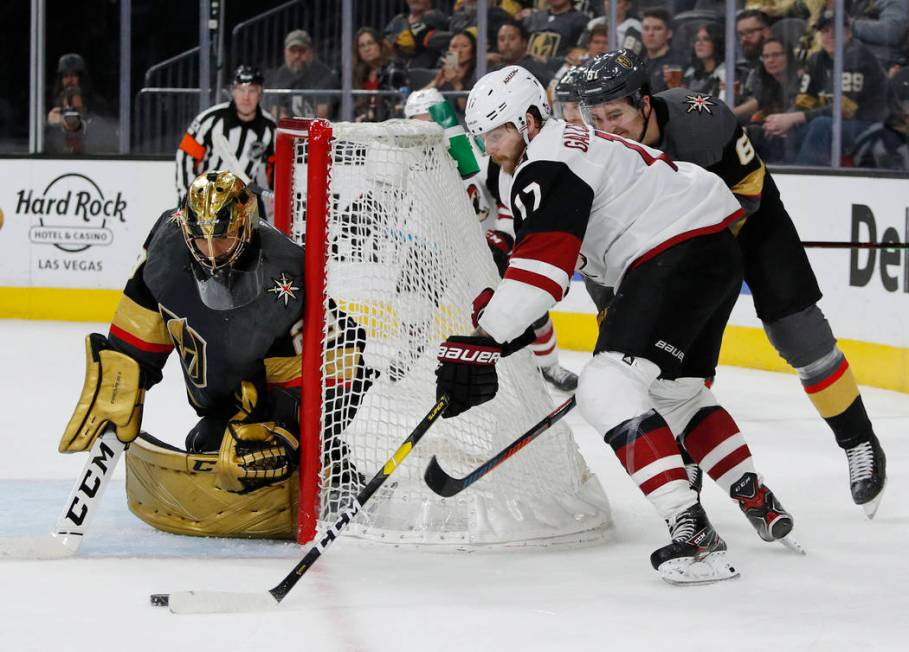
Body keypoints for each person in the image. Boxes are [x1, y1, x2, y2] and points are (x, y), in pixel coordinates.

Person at [436, 65, 796, 584]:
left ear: (530, 119)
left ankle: (694, 535)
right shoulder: (564, 147)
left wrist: (481, 339)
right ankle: (755, 495)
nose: (492, 147)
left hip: (673, 249)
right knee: (677, 394)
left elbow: (542, 275)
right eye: (484, 137)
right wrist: (497, 320)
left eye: (499, 132)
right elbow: (539, 265)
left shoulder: (546, 160)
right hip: (712, 247)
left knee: (605, 387)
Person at [577, 49, 887, 517]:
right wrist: (613, 310)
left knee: (795, 329)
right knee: (662, 362)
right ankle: (687, 455)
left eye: (615, 114)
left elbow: (750, 190)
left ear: (644, 103)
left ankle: (858, 439)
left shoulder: (701, 120)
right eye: (596, 117)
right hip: (667, 251)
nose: (607, 128)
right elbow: (598, 248)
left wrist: (696, 247)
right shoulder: (596, 156)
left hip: (746, 225)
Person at [58, 171, 376, 539]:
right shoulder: (168, 243)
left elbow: (338, 359)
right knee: (209, 446)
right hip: (230, 395)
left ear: (245, 227)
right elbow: (143, 311)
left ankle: (330, 466)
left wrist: (289, 432)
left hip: (291, 388)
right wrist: (124, 371)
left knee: (257, 463)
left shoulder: (285, 272)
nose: (210, 252)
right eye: (200, 239)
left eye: (222, 238)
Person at [404, 88, 580, 391]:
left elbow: (509, 199)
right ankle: (403, 359)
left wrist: (503, 234)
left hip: (483, 247)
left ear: (440, 118)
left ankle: (550, 366)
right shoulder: (407, 160)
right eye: (414, 120)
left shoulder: (476, 154)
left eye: (426, 119)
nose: (422, 128)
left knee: (530, 307)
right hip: (437, 245)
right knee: (413, 301)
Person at [779, 13, 890, 166]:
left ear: (849, 33)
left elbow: (845, 109)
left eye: (835, 31)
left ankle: (806, 182)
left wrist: (796, 117)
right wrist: (785, 120)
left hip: (873, 126)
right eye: (824, 31)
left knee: (821, 125)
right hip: (840, 123)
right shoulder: (817, 59)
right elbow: (805, 100)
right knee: (788, 132)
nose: (829, 36)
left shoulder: (858, 57)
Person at [175, 65, 276, 206]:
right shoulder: (209, 120)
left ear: (260, 93)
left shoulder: (270, 128)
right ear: (233, 92)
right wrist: (188, 197)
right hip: (206, 200)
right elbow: (186, 156)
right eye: (241, 90)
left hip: (243, 205)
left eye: (252, 90)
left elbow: (276, 170)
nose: (246, 97)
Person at [741, 38, 803, 162]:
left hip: (797, 136)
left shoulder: (802, 80)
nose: (770, 60)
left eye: (776, 55)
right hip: (776, 136)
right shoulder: (770, 85)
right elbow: (758, 105)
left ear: (789, 57)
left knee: (753, 133)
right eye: (766, 56)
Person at [45, 53, 115, 155]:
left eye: (74, 75)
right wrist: (49, 124)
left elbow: (109, 131)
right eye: (65, 76)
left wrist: (82, 121)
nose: (70, 80)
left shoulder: (97, 103)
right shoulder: (52, 103)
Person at [265, 30, 340, 120]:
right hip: (291, 127)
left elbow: (323, 113)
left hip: (318, 128)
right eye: (293, 51)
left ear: (311, 52)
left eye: (302, 50)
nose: (297, 55)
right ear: (285, 52)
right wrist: (289, 127)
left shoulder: (325, 74)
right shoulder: (280, 75)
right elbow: (276, 109)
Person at [427, 30, 479, 121]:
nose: (459, 51)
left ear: (473, 50)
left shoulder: (478, 73)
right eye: (454, 47)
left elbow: (467, 109)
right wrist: (437, 82)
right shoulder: (445, 74)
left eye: (464, 46)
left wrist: (456, 84)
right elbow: (420, 100)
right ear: (449, 51)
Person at [384, 0, 449, 69]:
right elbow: (384, 45)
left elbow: (409, 40)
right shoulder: (398, 20)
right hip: (396, 70)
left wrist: (395, 43)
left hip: (425, 72)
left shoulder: (436, 17)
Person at [489, 20, 555, 87]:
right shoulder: (494, 69)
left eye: (512, 38)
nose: (506, 43)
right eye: (502, 39)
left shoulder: (534, 69)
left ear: (524, 42)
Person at [352, 27, 398, 123]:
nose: (367, 49)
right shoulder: (359, 74)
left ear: (379, 45)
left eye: (370, 43)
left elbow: (395, 105)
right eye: (362, 46)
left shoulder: (394, 69)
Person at [524, 0, 590, 64]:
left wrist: (551, 61)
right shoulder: (533, 17)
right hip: (527, 66)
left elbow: (580, 53)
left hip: (559, 70)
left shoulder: (581, 21)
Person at [640, 8, 687, 94]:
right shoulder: (639, 63)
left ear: (669, 33)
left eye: (657, 28)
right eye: (646, 28)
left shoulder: (678, 64)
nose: (650, 33)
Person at [681, 23, 726, 97]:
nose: (699, 43)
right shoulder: (690, 73)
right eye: (697, 40)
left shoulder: (725, 73)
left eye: (706, 39)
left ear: (716, 42)